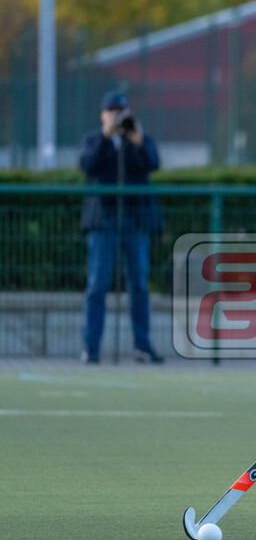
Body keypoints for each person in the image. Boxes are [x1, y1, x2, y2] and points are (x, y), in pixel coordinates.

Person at [79, 90, 164, 364]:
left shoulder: (138, 139)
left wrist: (136, 139)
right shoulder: (94, 140)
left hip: (135, 219)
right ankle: (90, 348)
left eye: (121, 111)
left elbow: (152, 163)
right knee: (98, 284)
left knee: (139, 283)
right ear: (103, 114)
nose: (117, 116)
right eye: (111, 111)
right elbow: (88, 164)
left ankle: (142, 345)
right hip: (103, 220)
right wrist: (106, 136)